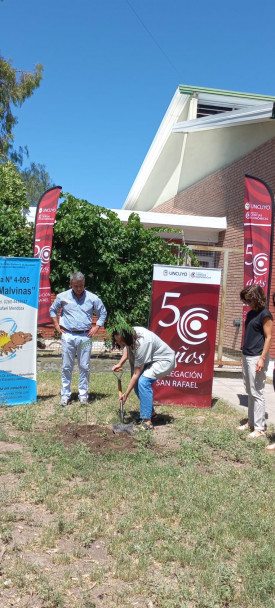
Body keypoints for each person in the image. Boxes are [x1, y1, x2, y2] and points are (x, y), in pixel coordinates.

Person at [50, 271, 107, 406]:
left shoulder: (92, 298)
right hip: (68, 335)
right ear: (71, 284)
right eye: (76, 286)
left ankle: (83, 395)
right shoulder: (62, 297)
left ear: (84, 284)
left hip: (85, 336)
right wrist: (57, 326)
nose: (79, 289)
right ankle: (65, 395)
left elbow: (103, 312)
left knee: (84, 366)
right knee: (66, 366)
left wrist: (97, 327)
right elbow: (52, 310)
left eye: (81, 286)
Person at [112, 325, 176, 430]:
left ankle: (147, 422)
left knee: (143, 382)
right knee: (138, 385)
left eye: (122, 342)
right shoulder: (130, 333)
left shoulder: (142, 343)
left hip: (164, 361)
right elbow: (128, 348)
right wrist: (120, 364)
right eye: (118, 342)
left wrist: (126, 394)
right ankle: (152, 414)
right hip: (153, 360)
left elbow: (136, 374)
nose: (120, 345)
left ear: (127, 339)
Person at [237, 285, 273, 439]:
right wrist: (243, 354)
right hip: (247, 355)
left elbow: (269, 337)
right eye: (245, 300)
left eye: (249, 300)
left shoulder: (265, 314)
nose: (247, 303)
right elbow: (250, 335)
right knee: (250, 391)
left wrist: (262, 358)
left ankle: (260, 428)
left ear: (257, 298)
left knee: (257, 392)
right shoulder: (251, 313)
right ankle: (251, 422)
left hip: (257, 357)